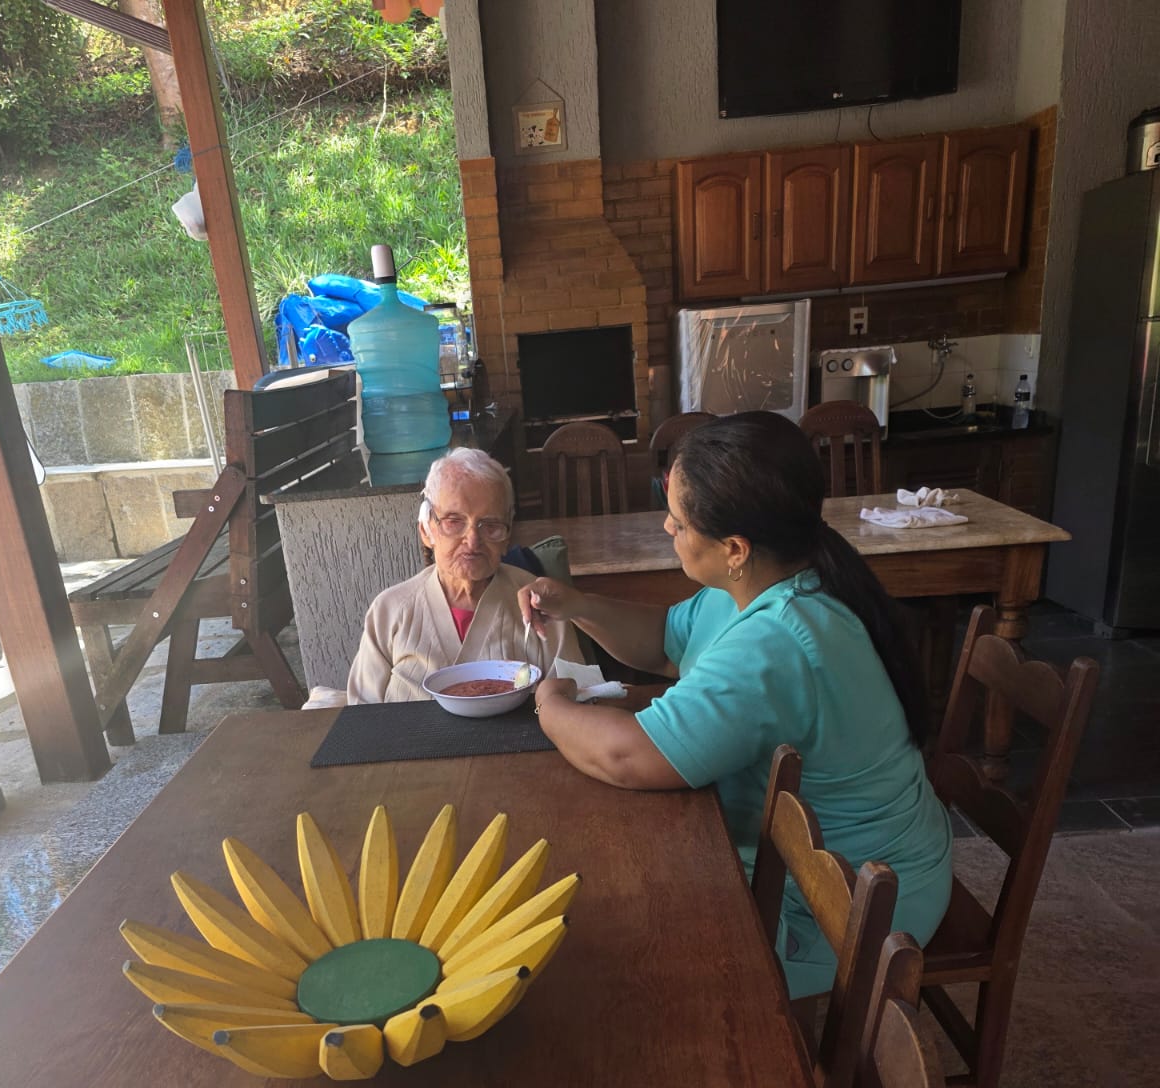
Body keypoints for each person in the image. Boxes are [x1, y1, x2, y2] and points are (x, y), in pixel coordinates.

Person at [521, 412, 952, 999]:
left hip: (852, 906)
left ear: (734, 548)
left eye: (678, 521)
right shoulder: (767, 577)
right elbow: (665, 642)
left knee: (628, 959)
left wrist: (549, 703)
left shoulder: (778, 641)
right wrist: (577, 605)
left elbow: (629, 756)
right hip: (846, 866)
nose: (667, 526)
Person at [306, 449, 580, 707]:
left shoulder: (542, 606)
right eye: (453, 521)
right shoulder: (389, 610)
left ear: (507, 535)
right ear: (427, 531)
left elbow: (578, 701)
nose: (472, 540)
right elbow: (362, 714)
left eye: (490, 525)